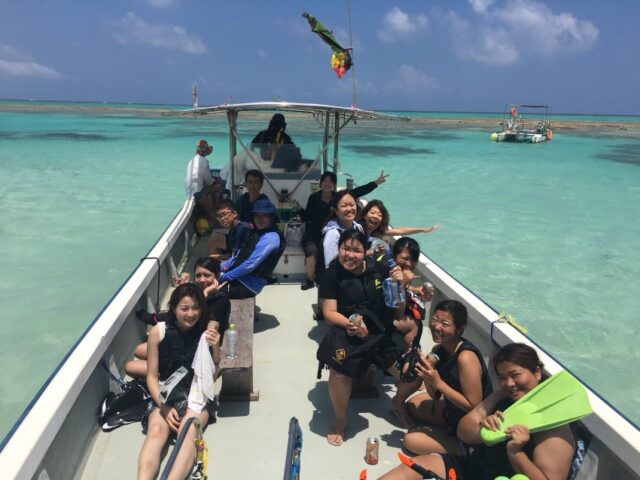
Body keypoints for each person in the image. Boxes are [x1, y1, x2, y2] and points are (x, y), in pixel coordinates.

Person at [380, 343, 576, 480]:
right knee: (408, 471)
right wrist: (486, 420)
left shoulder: (554, 427)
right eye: (502, 377)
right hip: (472, 469)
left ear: (537, 372)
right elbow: (464, 433)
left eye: (515, 375)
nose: (509, 383)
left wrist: (516, 451)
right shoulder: (506, 398)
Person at [317, 229, 416, 447]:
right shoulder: (332, 273)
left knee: (416, 371)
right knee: (338, 373)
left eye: (356, 250)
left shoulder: (380, 269)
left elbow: (398, 310)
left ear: (365, 253)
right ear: (339, 248)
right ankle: (341, 420)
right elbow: (329, 312)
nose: (349, 255)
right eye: (345, 248)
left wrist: (400, 286)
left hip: (381, 331)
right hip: (349, 330)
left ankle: (397, 403)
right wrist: (350, 324)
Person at [137, 283, 220, 480]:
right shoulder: (159, 332)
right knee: (156, 431)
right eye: (184, 308)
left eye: (196, 308)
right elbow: (151, 377)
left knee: (188, 432)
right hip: (167, 395)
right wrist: (164, 407)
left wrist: (216, 347)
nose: (191, 314)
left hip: (197, 395)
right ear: (174, 309)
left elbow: (214, 372)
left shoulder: (207, 331)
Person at [402, 300, 492, 455]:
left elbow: (474, 406)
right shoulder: (439, 350)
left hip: (473, 424)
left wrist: (439, 383)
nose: (437, 326)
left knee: (410, 440)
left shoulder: (466, 358)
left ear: (460, 329)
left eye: (445, 323)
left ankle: (465, 449)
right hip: (452, 410)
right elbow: (435, 396)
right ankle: (445, 429)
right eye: (435, 320)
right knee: (413, 404)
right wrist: (427, 377)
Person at [125, 257, 230, 379]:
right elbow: (181, 312)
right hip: (188, 339)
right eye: (198, 275)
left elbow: (202, 322)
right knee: (138, 350)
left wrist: (205, 294)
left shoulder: (220, 299)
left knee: (131, 366)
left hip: (203, 348)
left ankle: (168, 375)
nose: (202, 280)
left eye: (207, 275)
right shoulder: (197, 293)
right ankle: (163, 368)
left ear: (216, 276)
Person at [299, 171, 388, 290]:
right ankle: (310, 280)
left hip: (345, 271)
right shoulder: (314, 198)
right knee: (312, 251)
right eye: (325, 181)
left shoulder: (340, 200)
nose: (327, 184)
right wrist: (297, 209)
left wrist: (375, 183)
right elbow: (307, 217)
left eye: (331, 181)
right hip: (315, 235)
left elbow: (359, 191)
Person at [218, 199, 285, 299]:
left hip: (248, 285)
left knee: (210, 293)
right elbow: (239, 256)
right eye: (257, 215)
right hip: (240, 277)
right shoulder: (258, 233)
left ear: (272, 217)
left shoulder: (271, 238)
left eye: (264, 215)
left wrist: (223, 277)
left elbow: (249, 265)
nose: (260, 219)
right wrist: (219, 267)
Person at [360, 199, 439, 253]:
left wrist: (423, 229)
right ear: (365, 215)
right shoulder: (356, 229)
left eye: (380, 215)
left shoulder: (377, 232)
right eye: (372, 213)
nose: (375, 216)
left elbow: (400, 230)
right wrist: (371, 252)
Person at [321, 190, 364, 270]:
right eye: (344, 206)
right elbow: (330, 267)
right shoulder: (333, 234)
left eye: (352, 205)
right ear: (336, 211)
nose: (349, 209)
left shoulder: (358, 228)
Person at [185, 140, 216, 221]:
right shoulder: (204, 161)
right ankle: (215, 209)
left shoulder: (190, 161)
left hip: (189, 193)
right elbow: (209, 181)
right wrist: (216, 181)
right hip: (199, 193)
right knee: (218, 187)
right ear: (205, 152)